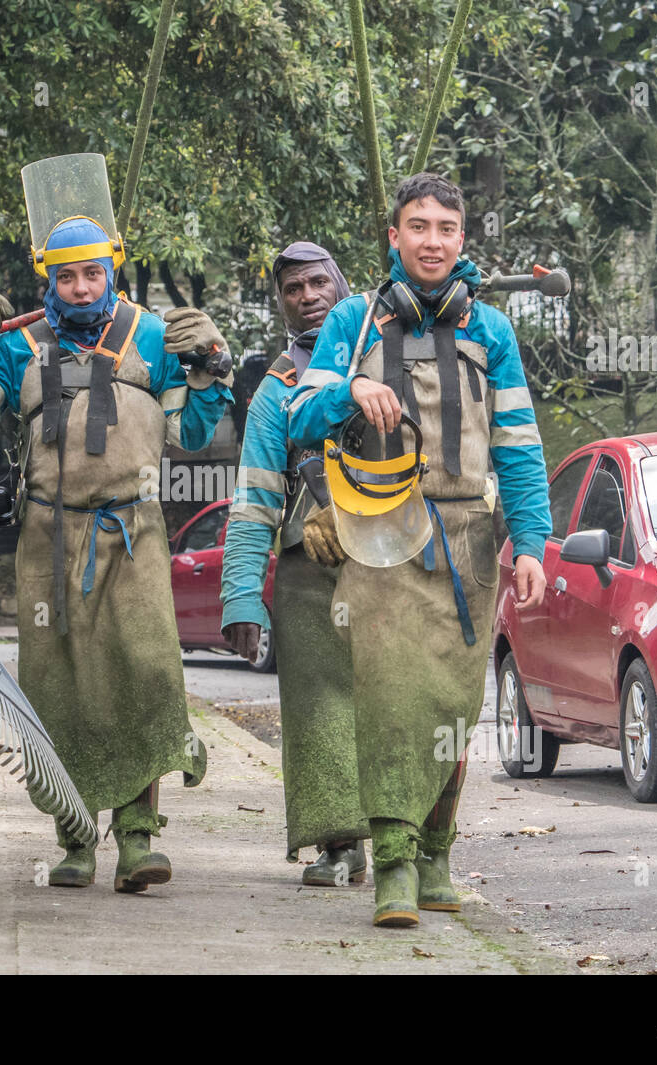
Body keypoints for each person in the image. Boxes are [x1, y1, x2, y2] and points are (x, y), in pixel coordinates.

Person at [285, 173, 552, 927]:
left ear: (462, 240)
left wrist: (529, 542)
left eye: (446, 228)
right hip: (379, 536)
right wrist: (348, 394)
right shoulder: (352, 320)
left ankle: (438, 850)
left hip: (469, 541)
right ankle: (394, 864)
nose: (432, 240)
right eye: (418, 226)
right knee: (389, 697)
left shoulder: (491, 332)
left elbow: (521, 450)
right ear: (393, 238)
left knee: (454, 705)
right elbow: (302, 413)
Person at [0, 212, 235, 893]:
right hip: (45, 539)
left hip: (135, 532)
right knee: (57, 683)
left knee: (144, 673)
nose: (82, 287)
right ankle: (75, 836)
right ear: (48, 278)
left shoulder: (150, 333)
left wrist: (210, 365)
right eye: (67, 276)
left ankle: (139, 837)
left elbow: (192, 430)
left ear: (110, 271)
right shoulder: (18, 344)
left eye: (93, 273)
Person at [219, 241, 371, 886]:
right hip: (307, 570)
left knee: (397, 703)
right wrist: (241, 597)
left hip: (397, 557)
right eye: (292, 289)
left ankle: (406, 843)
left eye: (317, 282)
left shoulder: (389, 354)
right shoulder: (273, 392)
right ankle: (338, 843)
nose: (307, 296)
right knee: (318, 707)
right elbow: (254, 500)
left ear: (340, 283)